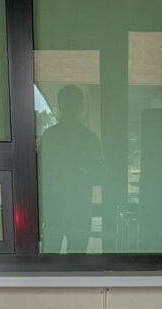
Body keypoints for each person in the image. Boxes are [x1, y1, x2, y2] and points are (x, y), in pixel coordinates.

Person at [38, 85, 103, 254]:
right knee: (76, 265)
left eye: (70, 105)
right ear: (81, 107)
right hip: (74, 210)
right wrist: (81, 172)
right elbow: (98, 175)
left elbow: (39, 175)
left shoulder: (50, 137)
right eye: (69, 105)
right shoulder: (88, 138)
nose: (70, 109)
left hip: (57, 209)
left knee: (50, 264)